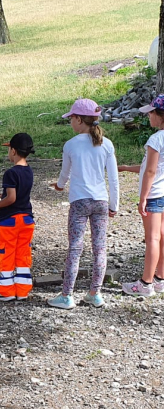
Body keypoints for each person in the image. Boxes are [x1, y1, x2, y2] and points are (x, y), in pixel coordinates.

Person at [48, 97, 119, 310]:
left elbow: (65, 174)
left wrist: (60, 186)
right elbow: (113, 179)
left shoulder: (70, 145)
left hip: (79, 202)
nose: (70, 122)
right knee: (100, 248)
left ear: (79, 119)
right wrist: (113, 205)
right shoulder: (106, 144)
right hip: (100, 201)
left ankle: (67, 295)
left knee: (75, 248)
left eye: (71, 118)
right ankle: (95, 293)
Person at [119, 95, 164, 296]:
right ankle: (160, 279)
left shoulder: (155, 140)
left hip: (154, 195)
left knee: (152, 238)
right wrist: (128, 168)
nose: (148, 117)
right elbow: (152, 168)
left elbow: (150, 172)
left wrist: (143, 197)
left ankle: (145, 284)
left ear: (159, 115)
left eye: (151, 113)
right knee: (162, 237)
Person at [0, 133, 35, 302]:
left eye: (9, 150)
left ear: (13, 151)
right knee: (23, 254)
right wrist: (5, 195)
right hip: (27, 219)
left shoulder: (10, 173)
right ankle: (22, 291)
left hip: (9, 221)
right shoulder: (29, 171)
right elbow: (19, 195)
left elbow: (11, 199)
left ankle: (6, 292)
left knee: (6, 253)